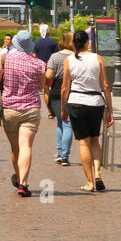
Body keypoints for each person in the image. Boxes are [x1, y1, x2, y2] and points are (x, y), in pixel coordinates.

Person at [0, 28, 47, 196]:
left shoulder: (5, 58)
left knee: (15, 147)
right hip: (30, 108)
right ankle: (23, 183)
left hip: (9, 108)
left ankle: (19, 179)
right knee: (26, 146)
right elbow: (41, 87)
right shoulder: (39, 64)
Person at [60, 28, 114, 193]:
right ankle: (98, 173)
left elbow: (64, 87)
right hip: (95, 102)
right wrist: (109, 109)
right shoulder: (97, 58)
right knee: (95, 140)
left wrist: (63, 108)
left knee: (83, 142)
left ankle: (90, 182)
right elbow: (105, 85)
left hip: (77, 102)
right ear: (86, 42)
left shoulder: (69, 60)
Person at [44, 31, 76, 165]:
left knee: (60, 122)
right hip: (74, 90)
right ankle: (64, 155)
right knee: (68, 123)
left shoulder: (55, 56)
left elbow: (49, 75)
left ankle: (60, 152)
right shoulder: (77, 57)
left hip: (57, 91)